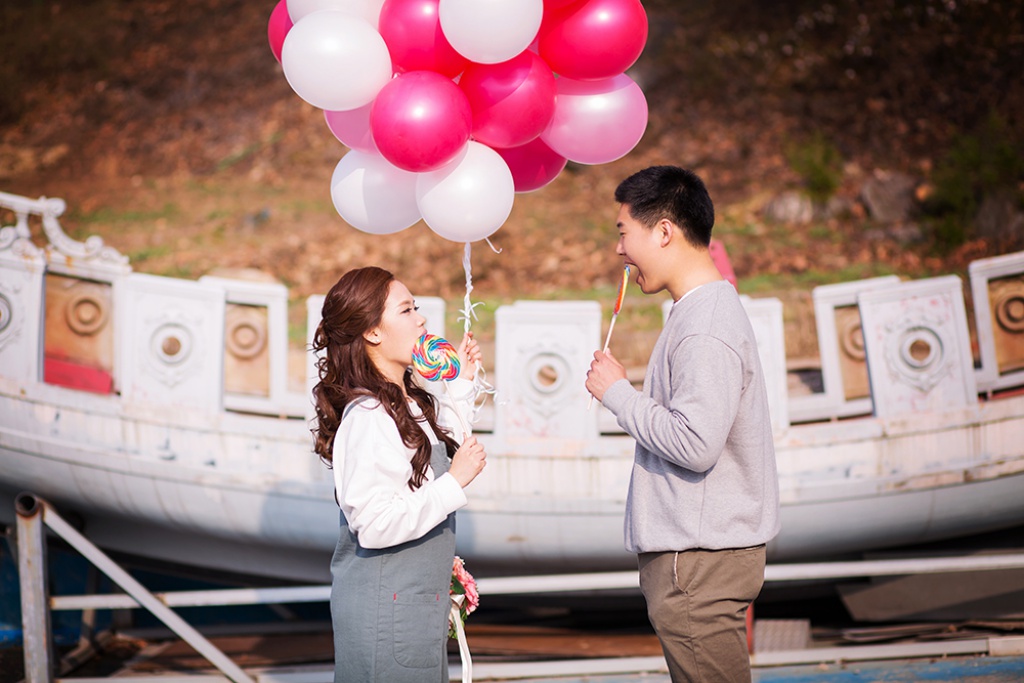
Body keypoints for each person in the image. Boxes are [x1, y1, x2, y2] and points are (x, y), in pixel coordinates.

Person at [585, 166, 780, 683]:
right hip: (700, 558)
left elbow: (695, 443)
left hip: (698, 562)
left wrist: (618, 396)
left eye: (624, 232)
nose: (620, 251)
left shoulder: (704, 327)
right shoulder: (699, 314)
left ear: (665, 231)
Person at [311, 266, 487, 683]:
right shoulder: (368, 414)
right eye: (406, 310)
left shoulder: (406, 403)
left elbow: (441, 453)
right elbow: (373, 525)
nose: (421, 319)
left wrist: (460, 383)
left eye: (417, 308)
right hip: (385, 618)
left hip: (410, 613)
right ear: (372, 332)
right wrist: (453, 484)